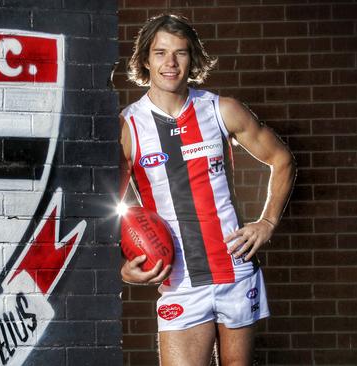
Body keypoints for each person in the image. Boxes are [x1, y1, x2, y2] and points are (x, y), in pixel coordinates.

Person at [119, 14, 296, 366]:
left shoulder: (220, 109)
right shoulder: (129, 126)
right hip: (181, 281)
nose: (170, 63)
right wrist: (120, 265)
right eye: (160, 53)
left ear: (192, 59)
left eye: (180, 53)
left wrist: (268, 222)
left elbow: (282, 159)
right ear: (145, 60)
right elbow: (102, 203)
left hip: (236, 269)